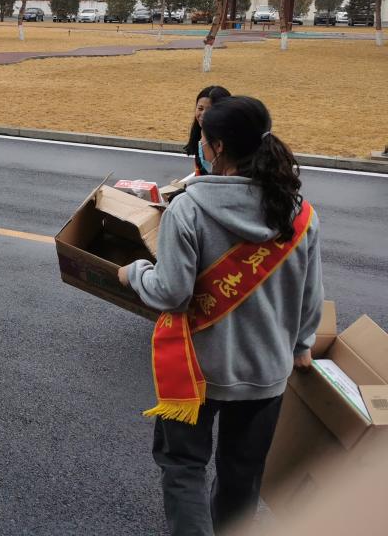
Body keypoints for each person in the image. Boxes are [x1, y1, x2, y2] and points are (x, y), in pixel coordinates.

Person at [117, 96, 324, 536]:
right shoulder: (299, 213)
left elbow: (170, 293)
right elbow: (311, 294)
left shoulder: (189, 209)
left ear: (218, 148)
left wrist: (133, 273)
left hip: (196, 372)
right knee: (242, 475)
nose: (202, 147)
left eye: (205, 140)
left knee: (184, 467)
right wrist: (302, 344)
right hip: (266, 372)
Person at [184, 85, 230, 175]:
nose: (204, 114)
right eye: (200, 108)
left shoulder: (231, 144)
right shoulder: (200, 135)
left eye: (210, 110)